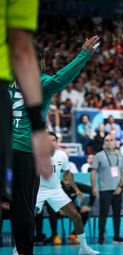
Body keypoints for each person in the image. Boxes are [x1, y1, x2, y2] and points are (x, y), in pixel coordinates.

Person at [9, 36, 99, 255]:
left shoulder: (7, 79)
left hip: (4, 148)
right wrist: (83, 54)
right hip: (25, 150)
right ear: (40, 64)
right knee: (23, 207)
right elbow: (61, 78)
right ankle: (23, 252)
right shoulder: (41, 82)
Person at [1, 1, 53, 254]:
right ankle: (24, 251)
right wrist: (38, 128)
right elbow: (21, 51)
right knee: (22, 205)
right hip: (20, 144)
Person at [34, 132, 99, 255]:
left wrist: (76, 189)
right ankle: (19, 248)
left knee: (76, 216)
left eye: (53, 140)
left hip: (56, 190)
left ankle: (84, 248)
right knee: (29, 217)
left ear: (57, 142)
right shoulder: (37, 155)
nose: (51, 143)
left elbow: (67, 173)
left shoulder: (62, 155)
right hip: (39, 190)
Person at [91, 135, 123, 244]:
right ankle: (101, 236)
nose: (109, 142)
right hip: (105, 190)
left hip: (117, 189)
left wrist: (120, 186)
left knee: (117, 213)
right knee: (104, 213)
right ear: (104, 143)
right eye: (106, 140)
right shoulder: (99, 155)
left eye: (111, 140)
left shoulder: (119, 155)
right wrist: (94, 186)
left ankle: (116, 236)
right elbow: (93, 172)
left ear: (115, 142)